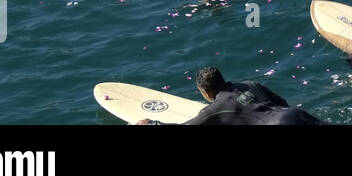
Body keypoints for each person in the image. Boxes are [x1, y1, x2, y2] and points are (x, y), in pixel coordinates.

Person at [137, 67, 323, 125]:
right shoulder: (250, 84)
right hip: (296, 115)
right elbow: (281, 102)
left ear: (205, 92)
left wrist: (152, 123)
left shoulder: (215, 109)